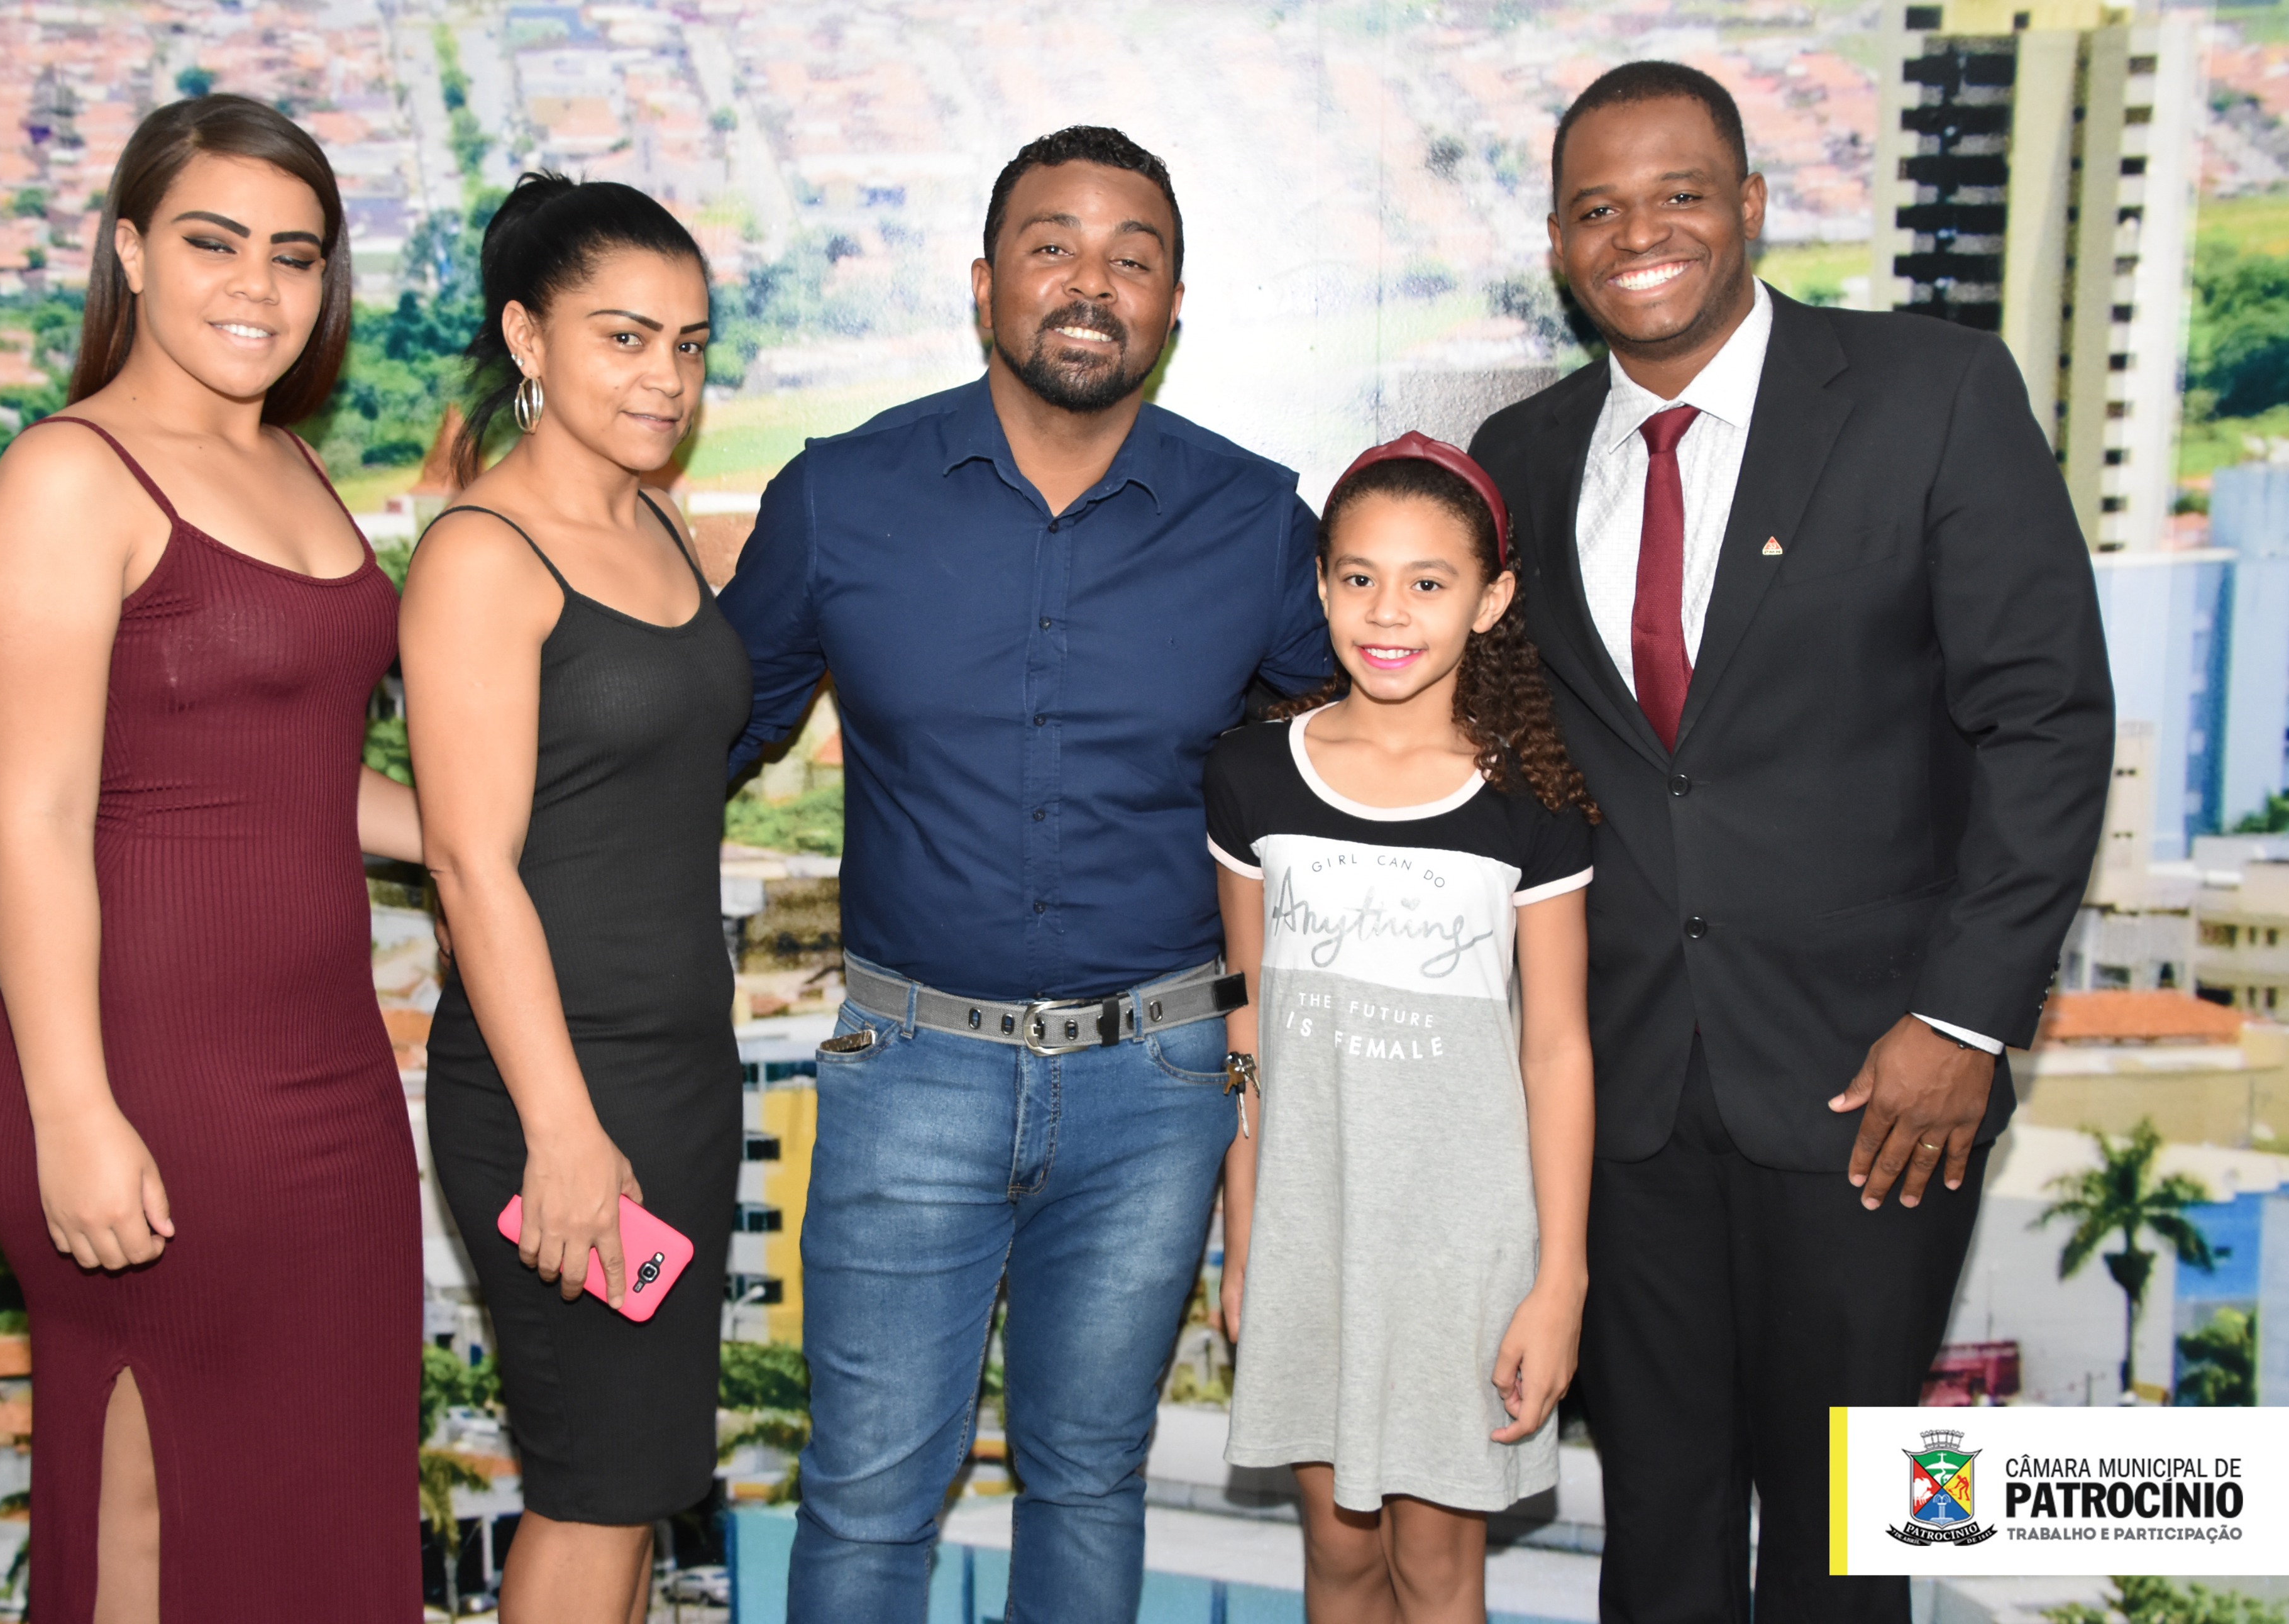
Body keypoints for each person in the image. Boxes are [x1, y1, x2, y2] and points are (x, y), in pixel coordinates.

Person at [1468, 62, 2114, 1623]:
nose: (1640, 233)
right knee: (1659, 1529)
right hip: (1622, 1095)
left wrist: (1963, 1016)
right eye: (1597, 208)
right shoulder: (1522, 454)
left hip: (1878, 1086)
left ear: (1750, 205)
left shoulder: (1930, 393)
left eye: (1680, 194)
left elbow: (2046, 721)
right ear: (1556, 244)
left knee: (1842, 1542)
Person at [717, 126, 1331, 1622]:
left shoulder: (1254, 516)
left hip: (1158, 1085)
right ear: (984, 280)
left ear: (1172, 303)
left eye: (1133, 257)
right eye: (1053, 245)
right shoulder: (840, 494)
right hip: (911, 1069)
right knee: (866, 1496)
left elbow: (1368, 744)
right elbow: (703, 736)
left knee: (1089, 1478)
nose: (1091, 283)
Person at [0, 95, 423, 1623]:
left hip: (328, 1077)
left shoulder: (292, 462)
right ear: (130, 250)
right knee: (151, 1502)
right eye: (215, 242)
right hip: (139, 1072)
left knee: (323, 1494)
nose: (257, 286)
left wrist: (475, 841)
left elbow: (289, 771)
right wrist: (72, 1113)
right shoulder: (68, 474)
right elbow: (36, 817)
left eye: (295, 253)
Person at [403, 173, 747, 1624]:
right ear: (526, 337)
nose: (665, 376)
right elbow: (470, 861)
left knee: (635, 1481)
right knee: (594, 1486)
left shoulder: (657, 524)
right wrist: (560, 1129)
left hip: (677, 1080)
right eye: (624, 337)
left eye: (688, 342)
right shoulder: (484, 553)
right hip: (557, 1087)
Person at [1210, 435, 1596, 1622]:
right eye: (1359, 577)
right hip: (1311, 1230)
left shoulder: (1529, 796)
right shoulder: (1252, 775)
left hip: (1465, 1251)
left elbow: (1557, 1048)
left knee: (1436, 1574)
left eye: (1429, 582)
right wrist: (1244, 1230)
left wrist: (1559, 1280)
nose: (1389, 611)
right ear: (1322, 586)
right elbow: (1245, 1018)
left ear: (1492, 599)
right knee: (1338, 1562)